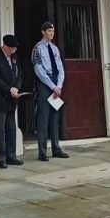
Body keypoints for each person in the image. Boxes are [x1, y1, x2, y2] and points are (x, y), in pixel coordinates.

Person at [32, 21, 69, 161]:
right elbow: (38, 70)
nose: (51, 34)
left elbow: (60, 68)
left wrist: (59, 85)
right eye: (48, 31)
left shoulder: (54, 49)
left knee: (55, 117)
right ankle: (42, 151)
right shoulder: (38, 48)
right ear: (43, 32)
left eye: (52, 31)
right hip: (44, 85)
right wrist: (52, 86)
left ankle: (56, 147)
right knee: (44, 118)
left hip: (55, 83)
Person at [0, 34, 25, 169]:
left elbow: (19, 74)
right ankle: (2, 158)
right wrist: (8, 89)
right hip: (0, 98)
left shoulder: (14, 58)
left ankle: (12, 155)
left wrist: (16, 87)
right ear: (5, 46)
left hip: (12, 99)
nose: (14, 51)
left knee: (11, 128)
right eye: (12, 48)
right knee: (0, 130)